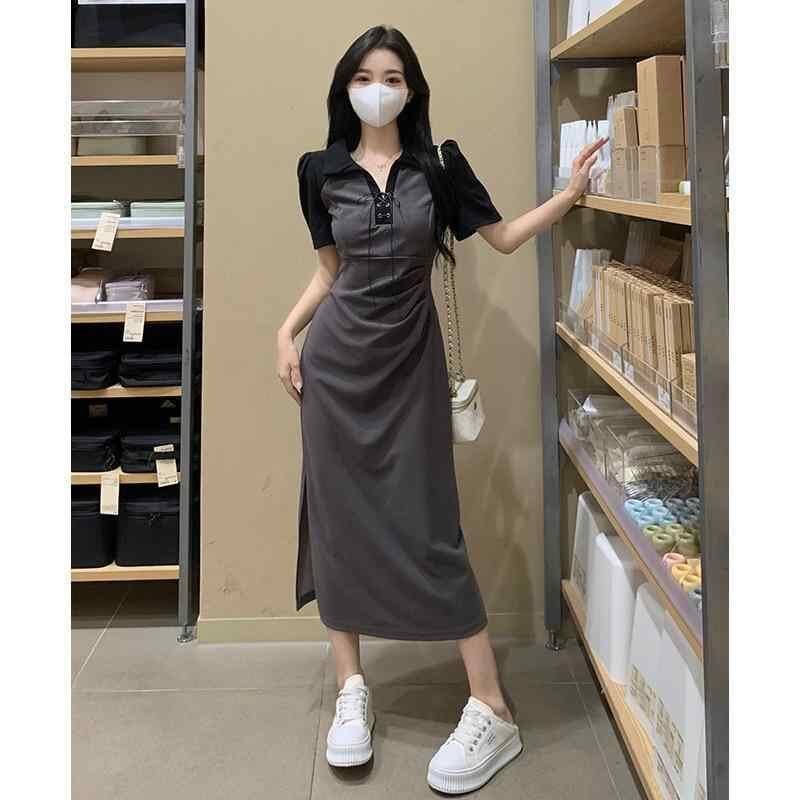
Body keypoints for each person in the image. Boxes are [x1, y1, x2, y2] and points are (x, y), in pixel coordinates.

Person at [276, 24, 605, 794]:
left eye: (392, 77)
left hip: (410, 365)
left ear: (412, 89)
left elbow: (504, 238)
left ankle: (491, 706)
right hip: (335, 369)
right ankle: (352, 688)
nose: (378, 89)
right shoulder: (319, 171)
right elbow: (329, 271)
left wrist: (567, 196)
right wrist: (286, 332)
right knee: (337, 516)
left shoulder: (439, 166)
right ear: (346, 86)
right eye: (364, 76)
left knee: (430, 523)